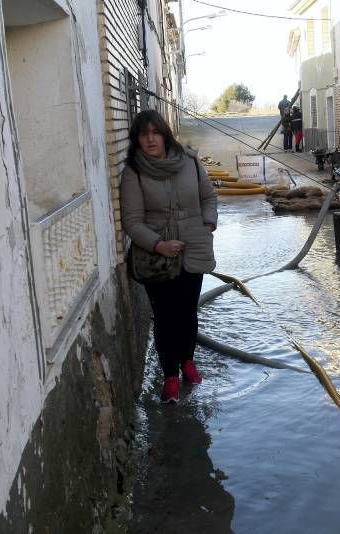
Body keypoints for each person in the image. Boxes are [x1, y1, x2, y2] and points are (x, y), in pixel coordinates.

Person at [120, 109, 218, 404]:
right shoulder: (134, 172)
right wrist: (158, 245)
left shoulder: (189, 161)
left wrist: (207, 224)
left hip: (193, 249)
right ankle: (171, 375)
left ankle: (188, 361)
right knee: (165, 316)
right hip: (158, 258)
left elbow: (208, 197)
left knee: (187, 310)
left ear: (164, 134)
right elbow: (132, 221)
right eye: (143, 134)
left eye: (155, 132)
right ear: (137, 139)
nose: (150, 139)